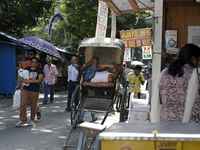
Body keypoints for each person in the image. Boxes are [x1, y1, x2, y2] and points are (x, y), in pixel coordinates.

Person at [151, 44, 200, 123]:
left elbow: (159, 100)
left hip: (164, 123)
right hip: (186, 125)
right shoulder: (196, 74)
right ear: (193, 59)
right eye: (199, 60)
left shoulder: (164, 73)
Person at [77, 56, 120, 123]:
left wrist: (118, 70)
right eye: (113, 66)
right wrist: (106, 69)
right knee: (90, 101)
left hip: (91, 75)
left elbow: (114, 77)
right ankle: (93, 117)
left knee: (95, 59)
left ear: (117, 71)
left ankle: (82, 69)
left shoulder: (111, 77)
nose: (113, 68)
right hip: (94, 73)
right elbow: (102, 71)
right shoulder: (109, 73)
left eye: (115, 68)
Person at [15, 57, 44, 127]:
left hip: (34, 90)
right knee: (23, 104)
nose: (34, 63)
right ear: (30, 62)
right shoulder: (27, 69)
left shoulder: (39, 70)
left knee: (33, 105)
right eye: (33, 62)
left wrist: (30, 81)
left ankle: (32, 120)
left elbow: (39, 80)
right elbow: (21, 77)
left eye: (36, 62)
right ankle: (22, 119)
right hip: (25, 89)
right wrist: (19, 84)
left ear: (37, 63)